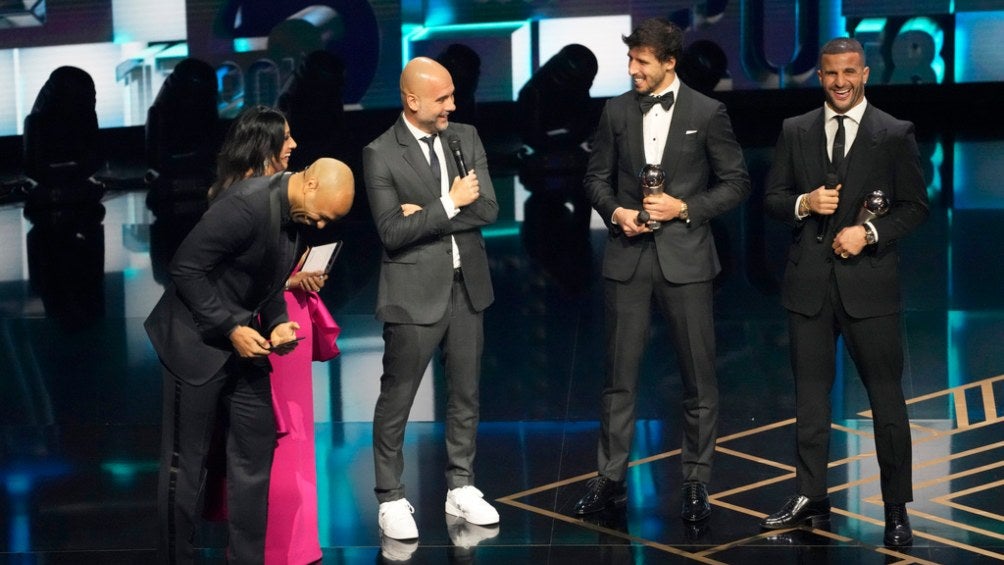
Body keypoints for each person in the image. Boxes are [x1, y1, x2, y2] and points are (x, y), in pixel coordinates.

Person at [575, 18, 751, 523]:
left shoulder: (707, 111)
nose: (632, 70)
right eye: (630, 61)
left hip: (687, 259)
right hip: (627, 258)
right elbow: (595, 177)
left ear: (669, 63)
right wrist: (616, 212)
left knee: (698, 378)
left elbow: (736, 183)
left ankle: (696, 481)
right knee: (618, 378)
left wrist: (686, 209)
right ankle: (610, 479)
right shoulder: (615, 111)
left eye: (642, 62)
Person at [760, 37, 928, 547]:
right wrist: (805, 202)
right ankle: (810, 495)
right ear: (820, 76)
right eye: (831, 73)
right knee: (810, 401)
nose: (840, 82)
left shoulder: (894, 134)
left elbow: (915, 206)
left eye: (849, 72)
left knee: (886, 400)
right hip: (808, 285)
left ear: (865, 74)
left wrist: (870, 233)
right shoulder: (796, 130)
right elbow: (772, 198)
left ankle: (896, 506)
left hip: (869, 288)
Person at [145, 157, 354, 564]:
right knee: (185, 464)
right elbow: (185, 268)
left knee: (255, 448)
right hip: (194, 341)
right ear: (309, 184)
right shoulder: (244, 205)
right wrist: (231, 328)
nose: (321, 227)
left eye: (329, 222)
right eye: (323, 217)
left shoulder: (296, 216)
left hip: (246, 339)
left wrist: (276, 323)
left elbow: (271, 279)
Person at [362, 56, 499, 542]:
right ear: (412, 99)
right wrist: (449, 203)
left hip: (468, 286)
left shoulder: (466, 136)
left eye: (453, 95)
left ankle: (460, 485)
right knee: (397, 397)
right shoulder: (380, 153)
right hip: (412, 292)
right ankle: (390, 496)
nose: (452, 105)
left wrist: (433, 212)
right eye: (442, 98)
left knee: (465, 394)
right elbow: (392, 233)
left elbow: (487, 207)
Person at [206, 105, 338, 564]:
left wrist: (297, 276)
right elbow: (227, 278)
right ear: (262, 143)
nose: (294, 144)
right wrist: (285, 281)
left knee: (294, 435)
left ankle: (298, 543)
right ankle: (269, 548)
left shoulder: (283, 195)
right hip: (254, 329)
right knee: (267, 438)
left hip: (287, 325)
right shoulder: (235, 199)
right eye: (286, 137)